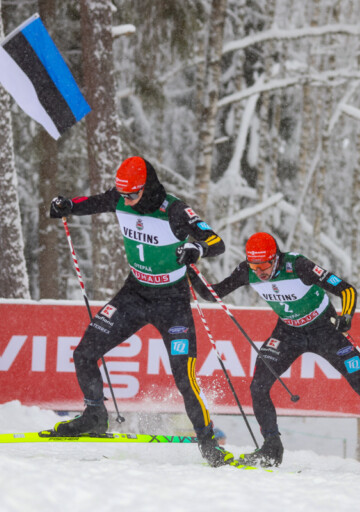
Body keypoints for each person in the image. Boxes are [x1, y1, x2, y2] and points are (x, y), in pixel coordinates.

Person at [191, 232, 360, 468]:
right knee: (258, 385)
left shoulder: (298, 266)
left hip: (325, 331)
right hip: (288, 333)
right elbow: (213, 294)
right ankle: (271, 448)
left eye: (264, 267)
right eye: (254, 267)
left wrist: (347, 317)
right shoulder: (249, 271)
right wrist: (189, 270)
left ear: (275, 257)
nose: (260, 273)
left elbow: (346, 289)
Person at [48, 156, 232, 467]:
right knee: (84, 353)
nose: (127, 200)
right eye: (124, 194)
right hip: (134, 293)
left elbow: (216, 242)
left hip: (172, 302)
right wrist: (67, 205)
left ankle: (207, 441)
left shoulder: (174, 210)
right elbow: (90, 203)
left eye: (133, 194)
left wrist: (196, 249)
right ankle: (94, 415)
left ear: (147, 188)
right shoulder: (121, 197)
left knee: (184, 377)